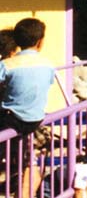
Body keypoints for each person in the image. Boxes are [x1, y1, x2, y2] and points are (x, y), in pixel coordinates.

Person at [0, 18, 56, 196]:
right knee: (27, 159)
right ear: (40, 42)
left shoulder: (7, 65)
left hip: (11, 119)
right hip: (35, 119)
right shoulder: (48, 65)